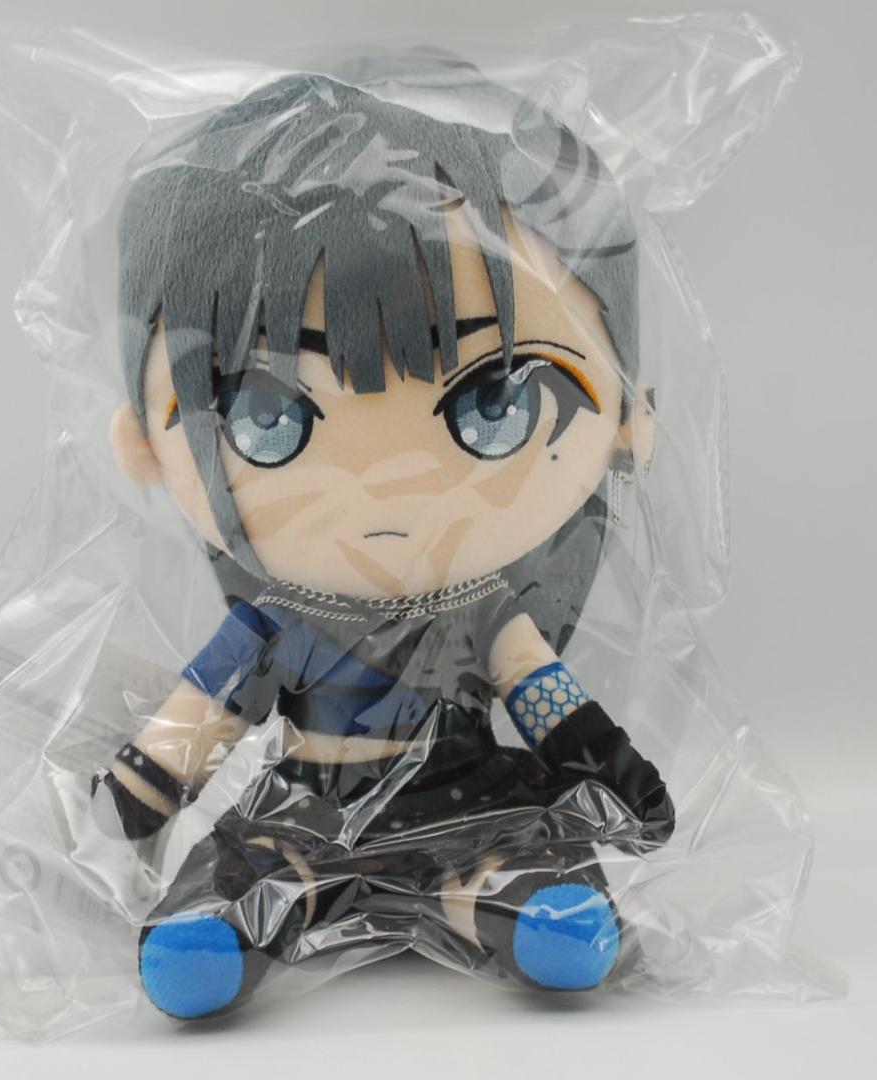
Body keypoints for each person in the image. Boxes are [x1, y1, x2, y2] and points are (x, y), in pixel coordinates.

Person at [93, 65, 674, 1020]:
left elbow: (547, 700)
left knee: (523, 875)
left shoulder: (479, 610)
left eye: (494, 405)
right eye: (267, 418)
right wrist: (144, 787)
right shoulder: (276, 624)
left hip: (470, 801)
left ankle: (503, 899)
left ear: (628, 422)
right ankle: (232, 926)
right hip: (304, 815)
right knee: (248, 881)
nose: (383, 490)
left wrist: (611, 772)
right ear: (142, 446)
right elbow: (202, 714)